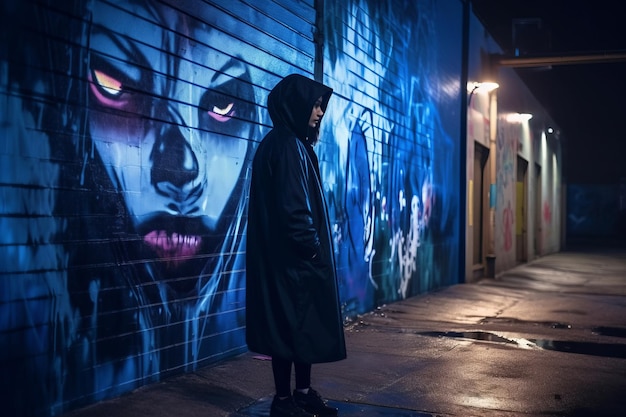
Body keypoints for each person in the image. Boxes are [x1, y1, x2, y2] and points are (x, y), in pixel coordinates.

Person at [246, 73, 347, 417]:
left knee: (299, 327)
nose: (319, 112)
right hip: (294, 261)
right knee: (289, 328)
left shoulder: (284, 144)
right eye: (316, 104)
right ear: (297, 104)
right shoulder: (288, 146)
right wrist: (312, 248)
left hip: (289, 259)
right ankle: (284, 400)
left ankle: (300, 394)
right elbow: (293, 209)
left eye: (321, 105)